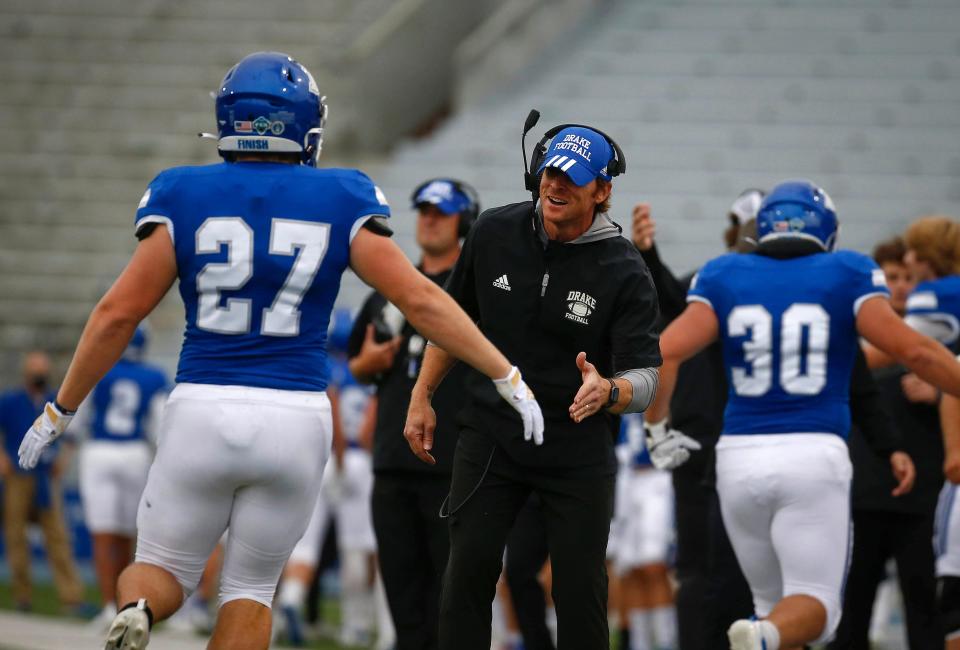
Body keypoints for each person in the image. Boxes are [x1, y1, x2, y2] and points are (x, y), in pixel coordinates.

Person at [15, 51, 543, 650]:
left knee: (161, 567)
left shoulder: (182, 192)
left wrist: (60, 409)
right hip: (294, 414)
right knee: (250, 589)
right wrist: (504, 371)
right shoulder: (342, 194)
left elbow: (117, 313)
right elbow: (421, 300)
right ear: (301, 123)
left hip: (202, 406)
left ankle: (138, 608)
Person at [645, 180, 960, 650]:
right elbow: (915, 351)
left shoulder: (725, 272)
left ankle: (765, 631)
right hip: (812, 454)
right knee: (818, 610)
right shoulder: (847, 271)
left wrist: (655, 428)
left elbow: (664, 352)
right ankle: (764, 634)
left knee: (773, 603)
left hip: (737, 460)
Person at [404, 121, 662, 650]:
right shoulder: (495, 231)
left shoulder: (626, 270)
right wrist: (421, 394)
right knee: (468, 574)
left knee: (579, 591)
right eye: (550, 173)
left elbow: (647, 379)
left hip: (576, 446)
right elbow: (455, 321)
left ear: (603, 190)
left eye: (573, 178)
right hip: (492, 434)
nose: (556, 186)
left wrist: (610, 391)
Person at [347, 177, 479, 650]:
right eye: (423, 210)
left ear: (463, 221)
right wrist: (367, 366)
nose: (428, 219)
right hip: (392, 462)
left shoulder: (475, 288)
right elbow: (355, 364)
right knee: (403, 600)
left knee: (449, 599)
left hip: (452, 465)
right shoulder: (391, 288)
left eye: (440, 212)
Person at [631, 192, 762, 650]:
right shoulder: (712, 280)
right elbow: (671, 302)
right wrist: (648, 256)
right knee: (698, 567)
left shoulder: (768, 288)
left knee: (750, 568)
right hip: (702, 442)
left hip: (747, 444)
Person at [829, 236, 944, 649]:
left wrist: (940, 393)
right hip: (864, 489)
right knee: (853, 602)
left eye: (909, 278)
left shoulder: (939, 337)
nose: (900, 286)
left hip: (923, 492)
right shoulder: (857, 336)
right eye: (891, 277)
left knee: (924, 602)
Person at [73, 326, 169, 629]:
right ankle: (124, 606)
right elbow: (160, 429)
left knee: (102, 534)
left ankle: (106, 605)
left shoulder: (100, 369)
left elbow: (77, 421)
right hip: (134, 453)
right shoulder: (154, 377)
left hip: (99, 450)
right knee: (128, 534)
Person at [0, 351, 85, 614]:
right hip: (17, 476)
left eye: (42, 369)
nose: (39, 374)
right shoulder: (10, 401)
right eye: (35, 369)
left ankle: (71, 598)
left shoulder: (55, 400)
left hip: (46, 476)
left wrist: (64, 460)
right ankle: (22, 596)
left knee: (57, 537)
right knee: (16, 537)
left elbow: (72, 436)